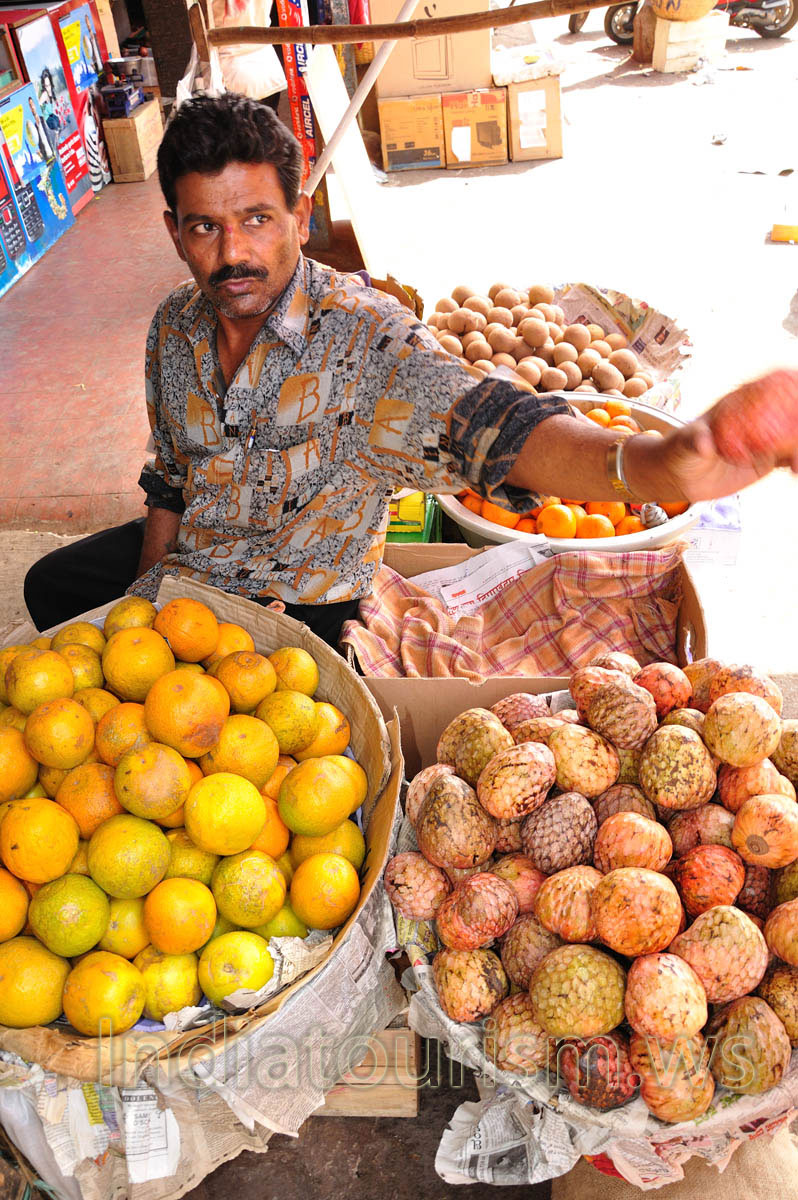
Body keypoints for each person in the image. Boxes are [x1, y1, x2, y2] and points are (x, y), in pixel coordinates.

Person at [23, 94, 798, 647]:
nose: (232, 254)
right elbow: (170, 478)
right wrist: (147, 596)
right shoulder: (172, 329)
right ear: (172, 230)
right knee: (49, 588)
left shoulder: (365, 343)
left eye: (257, 219)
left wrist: (666, 464)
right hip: (195, 561)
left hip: (296, 605)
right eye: (205, 227)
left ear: (301, 215)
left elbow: (494, 427)